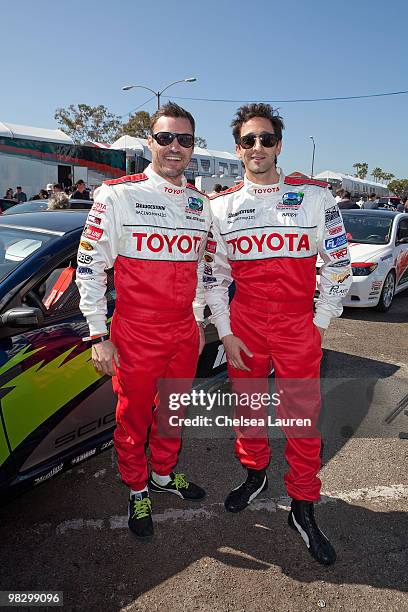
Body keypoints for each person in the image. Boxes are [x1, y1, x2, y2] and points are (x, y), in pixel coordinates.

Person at [204, 103, 352, 566]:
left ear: (279, 144)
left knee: (301, 419)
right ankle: (255, 474)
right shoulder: (221, 206)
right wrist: (224, 330)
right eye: (249, 140)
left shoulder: (315, 198)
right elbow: (211, 276)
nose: (258, 147)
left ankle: (303, 505)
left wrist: (320, 321)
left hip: (296, 323)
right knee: (247, 407)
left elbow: (339, 265)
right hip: (245, 322)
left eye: (266, 138)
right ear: (238, 148)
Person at [76, 102, 211, 539]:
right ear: (149, 142)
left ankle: (164, 475)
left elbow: (204, 269)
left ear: (193, 148)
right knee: (133, 418)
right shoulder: (117, 194)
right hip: (135, 331)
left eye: (184, 140)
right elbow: (89, 267)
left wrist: (200, 319)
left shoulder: (200, 205)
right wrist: (98, 333)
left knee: (173, 413)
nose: (175, 147)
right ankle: (137, 488)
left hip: (184, 332)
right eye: (166, 138)